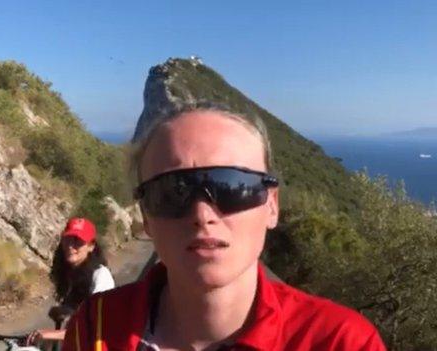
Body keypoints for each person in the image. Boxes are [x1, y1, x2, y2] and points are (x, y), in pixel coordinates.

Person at [62, 102, 387, 350]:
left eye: (232, 187)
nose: (203, 214)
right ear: (146, 216)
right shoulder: (95, 329)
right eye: (172, 192)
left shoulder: (340, 342)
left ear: (271, 205)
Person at [26, 217, 115, 346]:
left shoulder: (100, 276)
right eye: (68, 239)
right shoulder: (70, 273)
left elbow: (96, 327)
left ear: (91, 246)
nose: (71, 246)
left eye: (78, 241)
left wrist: (51, 334)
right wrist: (64, 310)